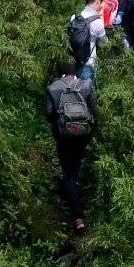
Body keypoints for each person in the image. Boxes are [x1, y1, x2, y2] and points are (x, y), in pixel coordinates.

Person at [44, 60, 97, 232]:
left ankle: (78, 217)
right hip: (83, 134)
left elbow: (49, 113)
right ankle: (74, 185)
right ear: (74, 73)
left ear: (59, 74)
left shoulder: (53, 88)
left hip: (64, 135)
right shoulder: (86, 85)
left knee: (68, 173)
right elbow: (93, 110)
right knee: (76, 160)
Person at [68, 0, 118, 85]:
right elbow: (104, 44)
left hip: (74, 61)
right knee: (89, 94)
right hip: (88, 63)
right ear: (97, 1)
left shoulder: (74, 17)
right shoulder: (98, 22)